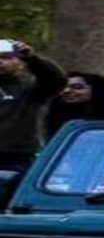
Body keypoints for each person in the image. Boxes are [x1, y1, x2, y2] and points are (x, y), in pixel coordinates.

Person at [0, 39, 66, 175]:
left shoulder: (31, 89)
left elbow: (57, 80)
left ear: (20, 63)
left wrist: (32, 59)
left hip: (16, 158)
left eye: (6, 57)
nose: (0, 62)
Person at [45, 72, 104, 138]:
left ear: (96, 89)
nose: (66, 91)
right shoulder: (55, 116)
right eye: (62, 88)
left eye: (77, 87)